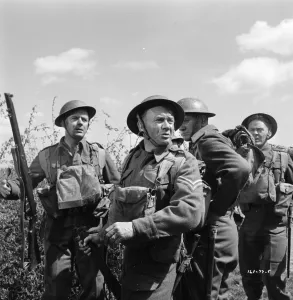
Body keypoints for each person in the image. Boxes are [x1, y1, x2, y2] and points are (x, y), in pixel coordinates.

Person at [84, 95, 206, 300]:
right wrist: (104, 232)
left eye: (170, 121)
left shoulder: (183, 162)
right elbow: (120, 202)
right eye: (159, 120)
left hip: (159, 265)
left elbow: (190, 212)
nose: (168, 126)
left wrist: (134, 227)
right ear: (141, 125)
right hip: (131, 261)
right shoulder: (132, 158)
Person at [0, 100, 120, 300]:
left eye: (84, 119)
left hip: (91, 230)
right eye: (74, 119)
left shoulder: (100, 154)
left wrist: (106, 203)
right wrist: (9, 187)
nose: (80, 123)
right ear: (64, 123)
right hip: (57, 230)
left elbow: (117, 187)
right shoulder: (47, 155)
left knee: (94, 289)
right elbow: (26, 183)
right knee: (55, 288)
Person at [177, 97, 250, 300]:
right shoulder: (203, 141)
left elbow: (240, 169)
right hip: (220, 228)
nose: (179, 126)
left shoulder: (206, 140)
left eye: (186, 119)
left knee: (204, 293)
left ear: (201, 120)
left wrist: (216, 210)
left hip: (214, 229)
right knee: (217, 293)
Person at [237, 113, 293, 300]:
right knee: (250, 276)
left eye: (260, 129)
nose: (255, 133)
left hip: (276, 224)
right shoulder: (239, 156)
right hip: (247, 223)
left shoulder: (282, 156)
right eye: (252, 130)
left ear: (269, 132)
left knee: (273, 276)